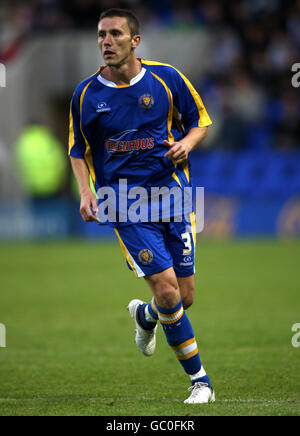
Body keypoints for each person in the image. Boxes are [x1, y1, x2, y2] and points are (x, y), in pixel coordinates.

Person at [69, 8, 215, 404]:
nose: (106, 41)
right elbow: (77, 150)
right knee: (167, 292)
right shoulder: (85, 94)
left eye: (115, 34)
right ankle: (200, 382)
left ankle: (144, 317)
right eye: (101, 35)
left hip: (174, 195)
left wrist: (187, 143)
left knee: (183, 298)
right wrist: (85, 192)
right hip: (124, 202)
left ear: (135, 41)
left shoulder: (166, 78)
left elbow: (201, 120)